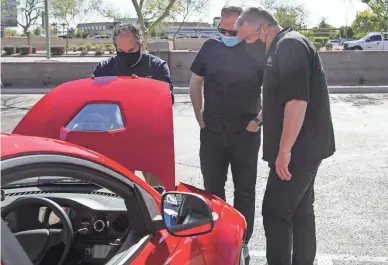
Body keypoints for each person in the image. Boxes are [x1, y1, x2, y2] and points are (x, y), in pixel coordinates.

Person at [235, 7, 336, 265]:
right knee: (301, 212)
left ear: (263, 29)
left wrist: (284, 150)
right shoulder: (281, 46)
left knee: (275, 213)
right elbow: (280, 97)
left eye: (247, 37)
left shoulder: (289, 46)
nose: (245, 44)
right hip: (304, 146)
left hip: (298, 149)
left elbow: (296, 101)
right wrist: (260, 119)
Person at [189, 5, 266, 263]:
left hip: (246, 133)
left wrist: (259, 120)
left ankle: (242, 241)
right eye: (223, 29)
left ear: (245, 26)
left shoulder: (257, 48)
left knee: (244, 190)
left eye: (233, 30)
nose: (227, 34)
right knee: (212, 189)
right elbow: (195, 81)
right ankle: (216, 239)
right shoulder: (210, 47)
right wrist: (199, 116)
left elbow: (276, 87)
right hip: (212, 132)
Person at [91, 22, 174, 187]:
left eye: (131, 51)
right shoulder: (104, 68)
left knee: (157, 191)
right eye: (121, 51)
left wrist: (146, 87)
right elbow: (93, 104)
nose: (126, 55)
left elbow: (168, 99)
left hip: (149, 138)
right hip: (115, 138)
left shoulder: (157, 67)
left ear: (141, 45)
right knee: (117, 190)